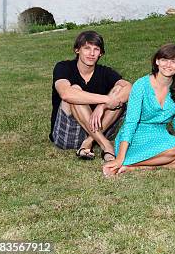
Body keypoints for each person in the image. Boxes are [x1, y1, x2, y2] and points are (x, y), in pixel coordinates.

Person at [103, 44, 175, 176]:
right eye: (164, 60)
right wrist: (120, 157)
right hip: (136, 135)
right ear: (157, 61)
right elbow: (130, 122)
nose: (168, 65)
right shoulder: (141, 85)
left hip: (160, 134)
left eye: (174, 61)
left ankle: (136, 167)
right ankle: (125, 161)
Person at [50, 30, 131, 162]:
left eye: (96, 49)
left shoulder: (105, 72)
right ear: (77, 50)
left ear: (101, 53)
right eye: (87, 48)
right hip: (69, 133)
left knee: (119, 90)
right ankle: (106, 145)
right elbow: (65, 93)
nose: (92, 53)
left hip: (101, 127)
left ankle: (89, 141)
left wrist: (101, 107)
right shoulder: (63, 67)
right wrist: (106, 100)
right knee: (74, 91)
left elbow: (129, 88)